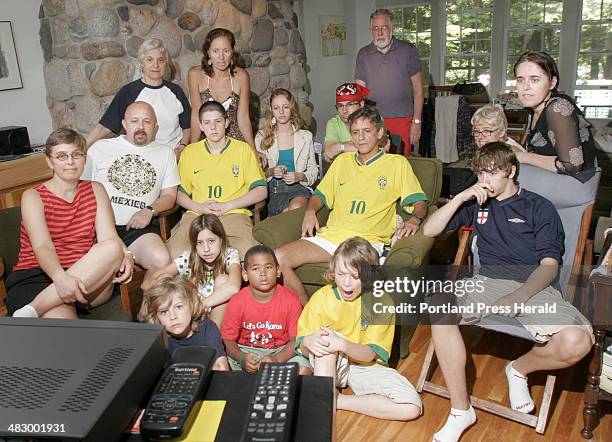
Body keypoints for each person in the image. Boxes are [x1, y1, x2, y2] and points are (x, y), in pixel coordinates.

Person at [422, 143, 593, 442]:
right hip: (486, 282)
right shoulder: (476, 204)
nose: (484, 179)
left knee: (577, 342)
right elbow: (429, 231)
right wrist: (461, 196)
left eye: (492, 172)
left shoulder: (539, 207)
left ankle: (518, 369)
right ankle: (461, 410)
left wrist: (520, 295)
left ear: (511, 171)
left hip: (534, 286)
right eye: (480, 173)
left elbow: (550, 266)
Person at [275, 106, 428, 304]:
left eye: (367, 131)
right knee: (278, 257)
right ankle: (306, 319)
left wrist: (415, 219)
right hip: (332, 237)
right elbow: (320, 195)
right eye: (355, 132)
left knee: (348, 275)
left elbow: (420, 203)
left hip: (366, 241)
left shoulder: (396, 164)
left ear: (379, 133)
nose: (361, 138)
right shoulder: (342, 162)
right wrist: (311, 211)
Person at [6, 128, 134, 319]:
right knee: (64, 325)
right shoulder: (33, 196)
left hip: (88, 276)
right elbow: (42, 246)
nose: (70, 162)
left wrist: (127, 254)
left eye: (76, 155)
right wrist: (60, 278)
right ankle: (37, 308)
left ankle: (33, 309)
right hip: (39, 276)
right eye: (61, 156)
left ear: (84, 158)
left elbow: (109, 237)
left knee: (112, 247)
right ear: (49, 161)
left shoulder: (96, 189)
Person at [296, 237, 422, 421]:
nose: (346, 283)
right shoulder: (321, 298)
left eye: (355, 277)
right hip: (330, 364)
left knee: (411, 408)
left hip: (364, 365)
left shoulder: (381, 301)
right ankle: (322, 417)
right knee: (325, 342)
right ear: (333, 270)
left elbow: (370, 354)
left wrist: (343, 344)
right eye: (341, 274)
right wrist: (308, 341)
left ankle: (336, 400)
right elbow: (304, 347)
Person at [83, 101, 179, 278]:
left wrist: (149, 210)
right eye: (134, 121)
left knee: (161, 260)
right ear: (124, 124)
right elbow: (81, 190)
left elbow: (170, 196)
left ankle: (146, 304)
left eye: (147, 122)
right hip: (99, 228)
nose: (141, 127)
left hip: (136, 228)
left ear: (155, 126)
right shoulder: (100, 149)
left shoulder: (166, 153)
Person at [166, 100, 267, 260]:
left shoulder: (242, 149)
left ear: (226, 123)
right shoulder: (190, 152)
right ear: (200, 126)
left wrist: (228, 205)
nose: (212, 127)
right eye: (207, 123)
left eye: (218, 121)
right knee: (174, 252)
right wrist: (197, 207)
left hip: (233, 213)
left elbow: (261, 190)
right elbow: (178, 193)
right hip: (198, 214)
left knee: (248, 253)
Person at [86, 38, 191, 153]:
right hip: (140, 157)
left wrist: (182, 147)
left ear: (166, 62)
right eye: (149, 60)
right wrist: (82, 147)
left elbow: (187, 126)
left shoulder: (176, 92)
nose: (155, 65)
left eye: (160, 60)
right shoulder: (129, 91)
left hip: (172, 157)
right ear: (142, 62)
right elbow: (104, 126)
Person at [220, 245, 311, 373]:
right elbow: (228, 340)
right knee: (220, 364)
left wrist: (277, 359)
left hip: (281, 350)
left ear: (278, 271)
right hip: (246, 351)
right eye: (255, 268)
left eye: (268, 267)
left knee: (304, 369)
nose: (263, 273)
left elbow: (296, 340)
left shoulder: (292, 300)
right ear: (245, 275)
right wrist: (242, 358)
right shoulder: (237, 301)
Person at [142, 214, 241, 329]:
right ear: (194, 245)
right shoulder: (188, 258)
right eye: (200, 243)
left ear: (221, 240)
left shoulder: (230, 255)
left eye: (211, 241)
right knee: (166, 277)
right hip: (190, 316)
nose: (206, 249)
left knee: (223, 279)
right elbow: (148, 283)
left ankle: (212, 337)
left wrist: (199, 305)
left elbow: (234, 287)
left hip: (217, 316)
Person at [513, 51, 597, 183]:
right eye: (520, 80)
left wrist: (522, 156)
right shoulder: (533, 109)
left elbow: (572, 166)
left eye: (534, 80)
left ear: (552, 83)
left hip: (575, 184)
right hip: (553, 178)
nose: (525, 87)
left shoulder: (557, 108)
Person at [355, 9, 423, 156]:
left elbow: (418, 89)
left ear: (392, 29)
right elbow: (359, 91)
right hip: (373, 119)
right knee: (374, 160)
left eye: (384, 27)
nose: (379, 33)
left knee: (399, 162)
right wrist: (358, 121)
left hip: (402, 118)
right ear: (370, 30)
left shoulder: (408, 50)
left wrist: (417, 122)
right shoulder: (363, 54)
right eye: (375, 28)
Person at [143, 276, 229, 371]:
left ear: (192, 305)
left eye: (179, 307)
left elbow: (221, 367)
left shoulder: (207, 328)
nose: (173, 317)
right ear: (156, 316)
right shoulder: (158, 342)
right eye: (164, 312)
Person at [188, 28, 255, 150]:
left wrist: (253, 149)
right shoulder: (195, 75)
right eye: (215, 51)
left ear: (232, 52)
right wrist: (192, 149)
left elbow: (243, 117)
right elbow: (196, 115)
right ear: (208, 52)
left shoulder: (242, 77)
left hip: (235, 143)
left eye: (226, 51)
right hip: (208, 143)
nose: (221, 57)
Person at [255, 88, 318, 216]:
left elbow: (313, 172)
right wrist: (271, 171)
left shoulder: (305, 136)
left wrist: (299, 176)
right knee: (285, 217)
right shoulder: (261, 137)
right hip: (272, 191)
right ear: (271, 110)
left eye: (285, 107)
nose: (281, 112)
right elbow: (255, 174)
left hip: (298, 188)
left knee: (294, 209)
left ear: (292, 108)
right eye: (276, 108)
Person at [323, 82, 369, 163]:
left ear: (361, 104)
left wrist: (339, 147)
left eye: (350, 104)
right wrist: (362, 146)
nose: (344, 111)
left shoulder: (373, 120)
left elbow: (379, 151)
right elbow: (329, 152)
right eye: (340, 106)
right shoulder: (334, 123)